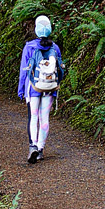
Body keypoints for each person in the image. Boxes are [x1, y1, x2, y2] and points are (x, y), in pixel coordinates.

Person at [17, 14, 63, 164]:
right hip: (50, 87)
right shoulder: (55, 47)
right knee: (45, 119)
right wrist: (57, 84)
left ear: (36, 29)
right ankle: (41, 150)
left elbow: (24, 71)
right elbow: (61, 69)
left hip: (33, 88)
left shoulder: (29, 47)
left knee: (33, 117)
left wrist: (21, 89)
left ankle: (33, 147)